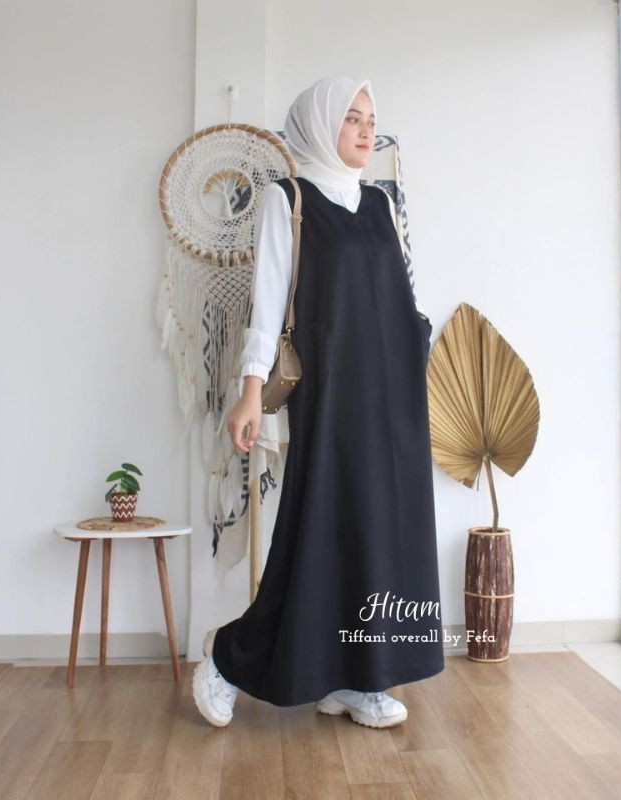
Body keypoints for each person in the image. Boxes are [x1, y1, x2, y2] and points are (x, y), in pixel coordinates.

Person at [192, 76, 443, 730]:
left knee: (382, 531)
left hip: (394, 398)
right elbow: (269, 302)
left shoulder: (380, 202)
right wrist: (251, 393)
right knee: (320, 533)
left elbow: (402, 296)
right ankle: (227, 659)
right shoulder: (290, 199)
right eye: (352, 117)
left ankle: (361, 678)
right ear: (319, 123)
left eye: (371, 119)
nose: (366, 130)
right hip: (333, 395)